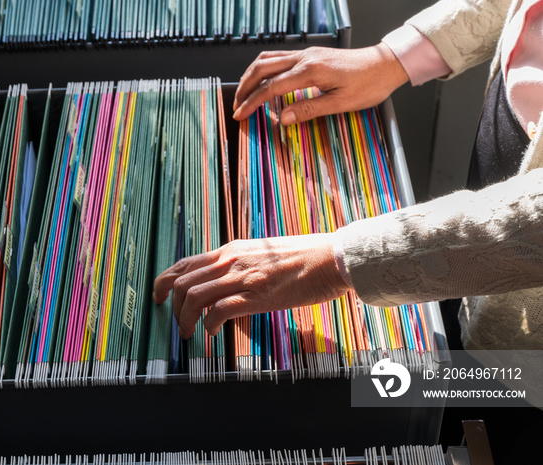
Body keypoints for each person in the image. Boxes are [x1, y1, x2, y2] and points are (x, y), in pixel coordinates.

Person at [152, 0, 543, 351]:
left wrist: (337, 262)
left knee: (494, 398)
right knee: (463, 314)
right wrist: (393, 57)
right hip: (502, 143)